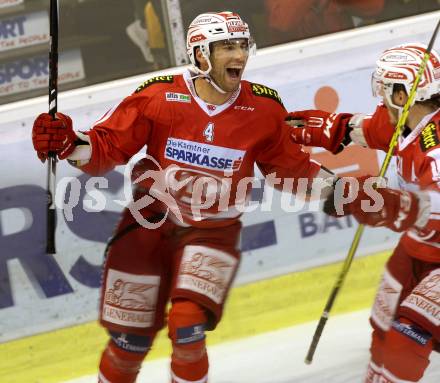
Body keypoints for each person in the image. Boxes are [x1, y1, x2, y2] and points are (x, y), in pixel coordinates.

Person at [31, 11, 334, 383]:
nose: (238, 56)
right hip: (148, 227)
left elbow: (288, 169)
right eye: (226, 47)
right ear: (200, 54)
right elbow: (108, 145)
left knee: (188, 327)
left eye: (241, 46)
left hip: (213, 230)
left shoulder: (264, 109)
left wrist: (342, 193)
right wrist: (67, 143)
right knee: (128, 344)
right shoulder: (158, 96)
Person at [286, 43, 440, 382]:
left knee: (405, 338)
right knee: (383, 325)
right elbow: (356, 129)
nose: (379, 100)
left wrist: (372, 198)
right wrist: (317, 128)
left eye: (383, 90)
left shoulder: (436, 144)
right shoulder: (405, 124)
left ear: (401, 94)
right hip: (419, 248)